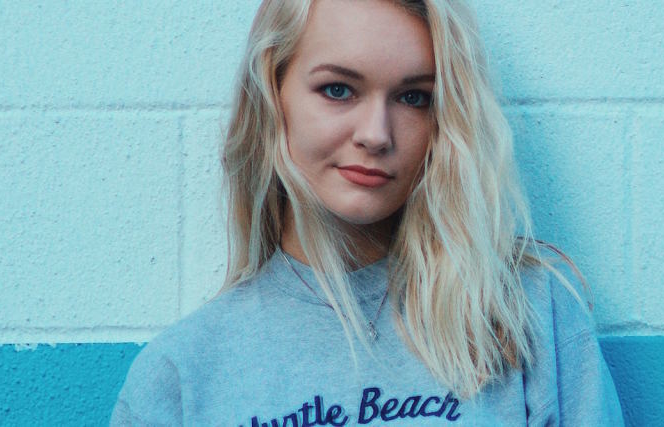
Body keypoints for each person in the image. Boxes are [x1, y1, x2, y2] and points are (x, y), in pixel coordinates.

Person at [111, 0, 624, 425]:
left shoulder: (526, 313)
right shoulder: (180, 375)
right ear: (272, 98)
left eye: (414, 97)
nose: (376, 133)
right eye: (338, 89)